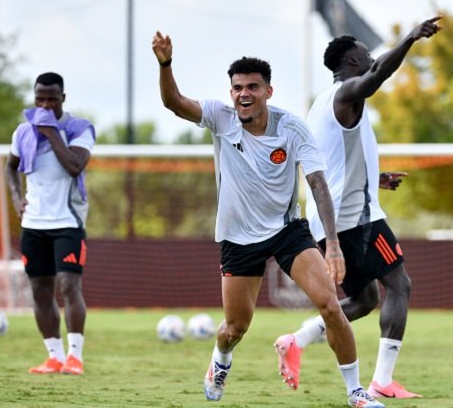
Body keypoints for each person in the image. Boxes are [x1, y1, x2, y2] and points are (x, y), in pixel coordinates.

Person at [152, 31, 383, 408]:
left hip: (287, 231)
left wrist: (334, 245)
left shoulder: (291, 128)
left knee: (330, 303)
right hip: (238, 238)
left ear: (268, 92)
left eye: (253, 87)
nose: (244, 94)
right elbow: (174, 102)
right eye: (238, 87)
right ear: (231, 93)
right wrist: (165, 63)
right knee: (235, 329)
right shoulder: (220, 118)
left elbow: (318, 183)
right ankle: (220, 361)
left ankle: (356, 393)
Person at [274, 17, 442, 400]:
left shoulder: (322, 104)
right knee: (400, 285)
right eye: (365, 54)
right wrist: (410, 38)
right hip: (355, 218)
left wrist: (375, 177)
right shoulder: (348, 92)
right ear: (351, 62)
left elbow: (332, 160)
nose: (371, 58)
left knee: (365, 300)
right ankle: (382, 380)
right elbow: (379, 72)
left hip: (334, 216)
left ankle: (296, 340)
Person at [6, 72, 96, 375]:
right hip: (33, 224)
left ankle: (75, 357)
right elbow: (10, 166)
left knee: (69, 285)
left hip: (67, 222)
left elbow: (74, 166)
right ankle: (54, 356)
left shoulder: (78, 128)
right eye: (39, 98)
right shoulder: (22, 132)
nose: (44, 104)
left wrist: (51, 132)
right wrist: (17, 196)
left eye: (51, 99)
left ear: (63, 99)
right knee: (40, 290)